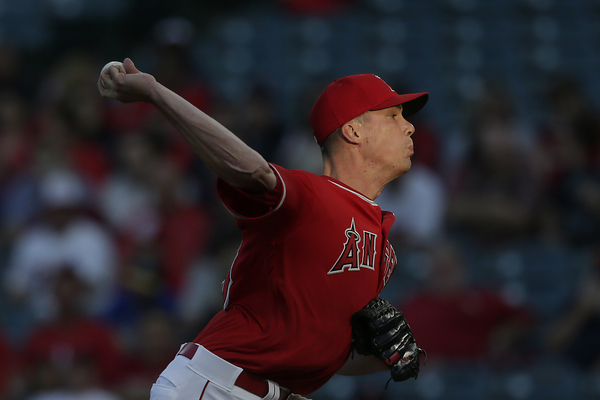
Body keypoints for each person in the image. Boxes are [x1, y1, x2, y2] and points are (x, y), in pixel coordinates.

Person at [98, 59, 428, 400]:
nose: (409, 127)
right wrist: (155, 92)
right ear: (354, 131)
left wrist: (385, 356)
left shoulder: (383, 247)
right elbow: (252, 171)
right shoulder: (311, 196)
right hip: (218, 386)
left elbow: (321, 349)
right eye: (393, 116)